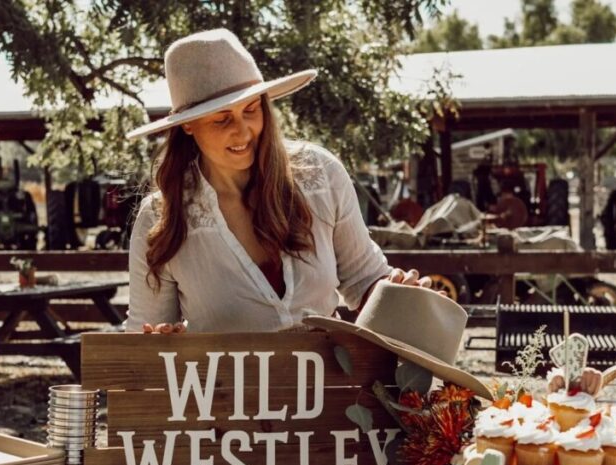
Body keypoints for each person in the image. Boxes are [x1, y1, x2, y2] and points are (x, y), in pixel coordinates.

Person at [125, 28, 435, 335]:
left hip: (327, 369)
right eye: (221, 119)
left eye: (251, 109)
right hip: (219, 372)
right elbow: (142, 338)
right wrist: (164, 342)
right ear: (188, 125)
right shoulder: (160, 218)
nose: (243, 131)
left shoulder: (321, 174)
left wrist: (400, 291)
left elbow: (364, 278)